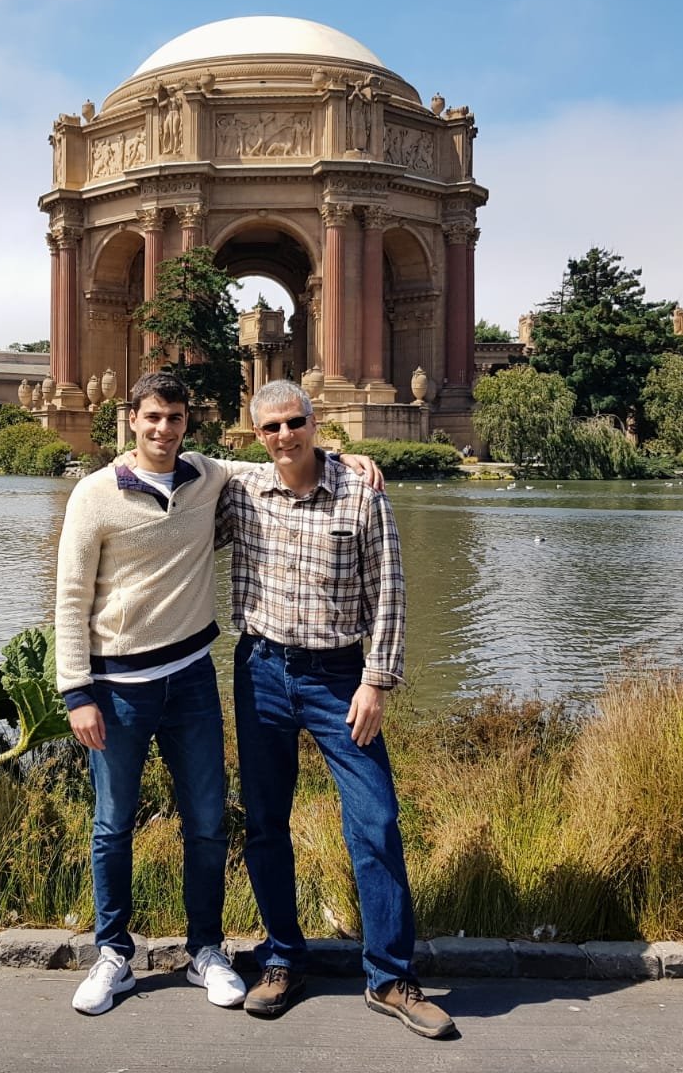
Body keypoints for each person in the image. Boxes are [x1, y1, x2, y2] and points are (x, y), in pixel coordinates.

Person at [57, 371, 382, 1017]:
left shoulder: (207, 477)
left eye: (174, 418)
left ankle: (205, 949)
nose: (162, 429)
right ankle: (113, 953)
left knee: (208, 822)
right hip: (118, 686)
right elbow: (69, 595)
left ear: (187, 423)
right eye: (152, 417)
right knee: (112, 823)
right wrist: (76, 691)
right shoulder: (95, 494)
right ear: (131, 420)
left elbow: (278, 456)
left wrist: (345, 455)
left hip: (193, 679)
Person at [216, 379, 456, 1039]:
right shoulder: (241, 490)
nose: (285, 436)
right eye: (270, 428)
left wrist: (376, 682)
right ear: (256, 434)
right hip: (262, 669)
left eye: (295, 422)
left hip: (339, 678)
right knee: (265, 822)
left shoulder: (361, 492)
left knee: (375, 819)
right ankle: (283, 959)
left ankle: (390, 977)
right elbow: (177, 490)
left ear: (314, 422)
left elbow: (390, 593)